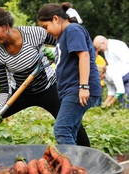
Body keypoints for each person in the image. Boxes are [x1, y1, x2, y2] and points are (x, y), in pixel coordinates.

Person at [0, 7, 91, 148]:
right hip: (20, 92)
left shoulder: (33, 33)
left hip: (49, 88)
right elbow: (4, 87)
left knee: (72, 123)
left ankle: (88, 157)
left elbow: (65, 42)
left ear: (6, 26)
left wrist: (54, 51)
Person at [37, 3, 102, 145]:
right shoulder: (62, 37)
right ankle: (77, 164)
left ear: (55, 18)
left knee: (62, 129)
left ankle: (72, 166)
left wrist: (84, 86)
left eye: (45, 27)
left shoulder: (72, 30)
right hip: (70, 90)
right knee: (70, 130)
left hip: (78, 88)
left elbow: (84, 56)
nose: (46, 32)